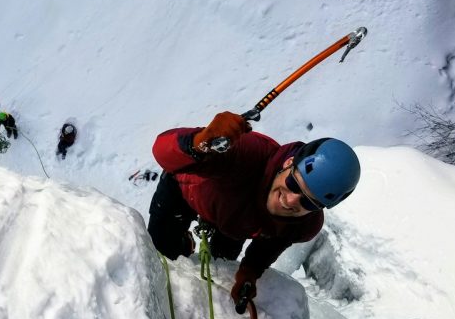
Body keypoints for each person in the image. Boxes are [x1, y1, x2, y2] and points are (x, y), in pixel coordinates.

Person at [148, 111, 360, 308]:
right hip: (184, 193)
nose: (291, 199)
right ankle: (184, 243)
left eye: (308, 202)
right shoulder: (247, 153)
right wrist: (199, 143)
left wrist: (249, 273)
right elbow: (162, 151)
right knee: (162, 252)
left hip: (236, 223)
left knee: (222, 262)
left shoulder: (305, 225)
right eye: (294, 184)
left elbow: (271, 244)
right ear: (288, 163)